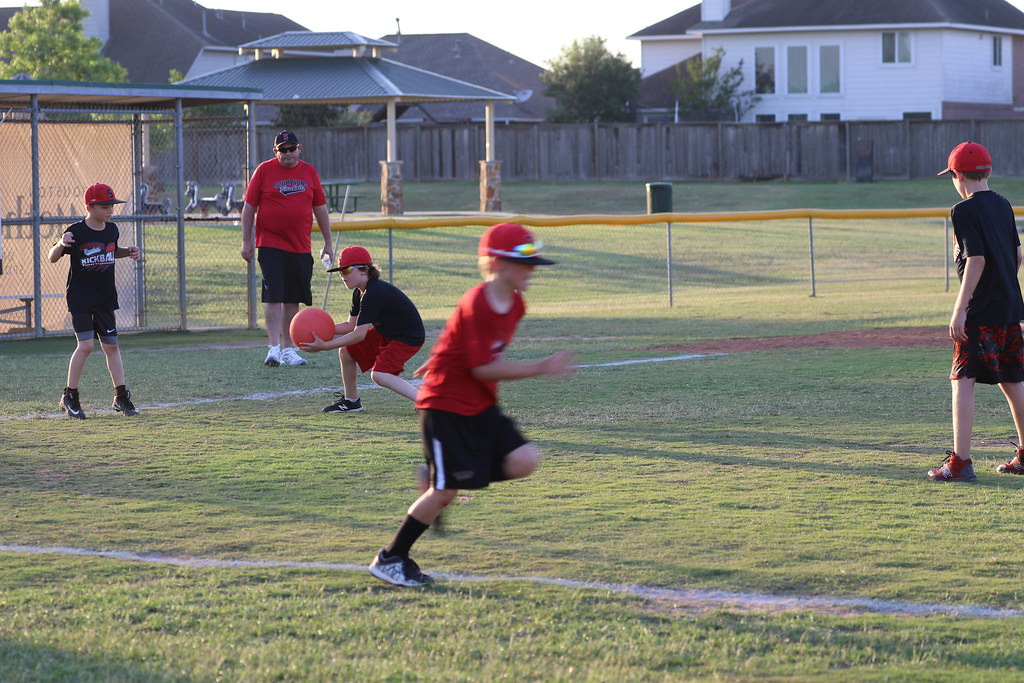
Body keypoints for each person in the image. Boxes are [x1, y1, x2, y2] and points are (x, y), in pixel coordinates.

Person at [368, 223, 577, 587]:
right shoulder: (477, 302)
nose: (532, 270)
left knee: (525, 460)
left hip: (480, 405)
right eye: (523, 263)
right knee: (445, 492)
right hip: (445, 408)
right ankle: (391, 558)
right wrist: (541, 367)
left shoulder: (515, 304)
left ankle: (440, 474)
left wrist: (439, 357)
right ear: (496, 264)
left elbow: (460, 337)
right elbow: (481, 366)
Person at [928, 141, 1024, 481]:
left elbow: (977, 260)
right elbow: (1016, 256)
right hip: (1010, 306)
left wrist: (960, 309)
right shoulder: (1002, 204)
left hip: (979, 311)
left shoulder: (963, 210)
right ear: (989, 172)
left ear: (957, 174)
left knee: (962, 379)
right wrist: (1003, 290)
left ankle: (960, 463)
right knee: (1012, 379)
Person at [241, 130, 334, 368]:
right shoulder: (263, 170)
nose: (288, 153)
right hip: (270, 244)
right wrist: (246, 241)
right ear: (276, 152)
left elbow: (320, 208)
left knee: (292, 298)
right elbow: (249, 207)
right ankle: (273, 349)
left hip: (300, 245)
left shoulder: (309, 172)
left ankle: (288, 349)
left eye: (292, 148)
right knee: (273, 296)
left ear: (299, 149)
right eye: (283, 149)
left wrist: (328, 242)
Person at [48, 183, 141, 419]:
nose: (110, 210)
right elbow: (52, 258)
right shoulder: (76, 232)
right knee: (87, 345)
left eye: (112, 205)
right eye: (105, 206)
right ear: (90, 207)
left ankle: (121, 397)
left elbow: (110, 250)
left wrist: (127, 251)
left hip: (105, 297)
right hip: (80, 297)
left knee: (111, 346)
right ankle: (70, 395)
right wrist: (60, 243)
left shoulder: (111, 229)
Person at [300, 245, 425, 413]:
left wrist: (325, 346)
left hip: (408, 337)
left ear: (364, 269)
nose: (342, 276)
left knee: (379, 374)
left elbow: (359, 334)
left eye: (346, 271)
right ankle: (352, 401)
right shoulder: (360, 292)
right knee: (347, 352)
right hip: (388, 333)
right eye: (340, 272)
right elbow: (350, 325)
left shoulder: (374, 292)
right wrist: (318, 330)